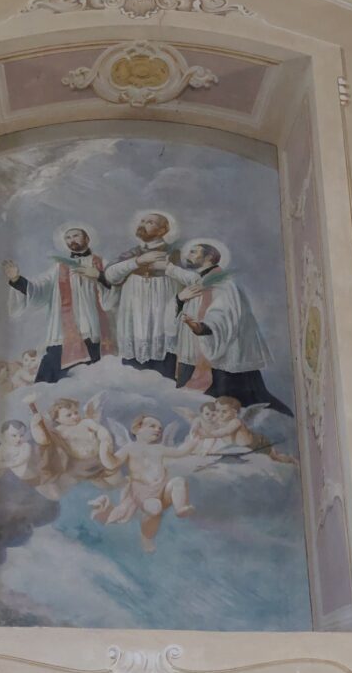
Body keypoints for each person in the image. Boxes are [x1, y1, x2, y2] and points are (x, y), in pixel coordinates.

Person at [165, 241, 292, 416]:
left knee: (238, 404)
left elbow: (224, 313)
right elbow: (187, 285)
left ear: (209, 256)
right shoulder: (203, 280)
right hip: (197, 351)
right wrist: (178, 293)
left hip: (224, 357)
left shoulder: (223, 283)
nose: (188, 255)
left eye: (194, 252)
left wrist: (202, 327)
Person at [3, 226, 116, 384]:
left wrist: (99, 276)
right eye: (68, 238)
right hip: (64, 331)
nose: (72, 240)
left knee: (91, 378)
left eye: (76, 236)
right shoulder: (59, 267)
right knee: (49, 378)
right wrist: (17, 280)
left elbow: (117, 286)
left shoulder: (102, 263)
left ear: (87, 239)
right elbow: (40, 287)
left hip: (93, 330)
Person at [89, 413, 195, 552]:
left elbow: (181, 452)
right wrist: (103, 450)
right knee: (155, 508)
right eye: (152, 426)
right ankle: (146, 537)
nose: (158, 430)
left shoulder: (159, 448)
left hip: (162, 489)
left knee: (179, 481)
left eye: (160, 428)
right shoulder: (130, 448)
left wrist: (194, 441)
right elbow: (112, 463)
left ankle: (180, 508)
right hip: (143, 493)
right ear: (137, 429)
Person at [102, 211, 181, 379]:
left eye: (150, 222)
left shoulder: (175, 253)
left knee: (163, 349)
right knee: (133, 362)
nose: (143, 224)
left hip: (163, 305)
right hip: (134, 307)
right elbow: (110, 275)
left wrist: (168, 268)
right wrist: (138, 261)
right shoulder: (132, 253)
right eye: (142, 221)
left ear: (163, 230)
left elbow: (190, 279)